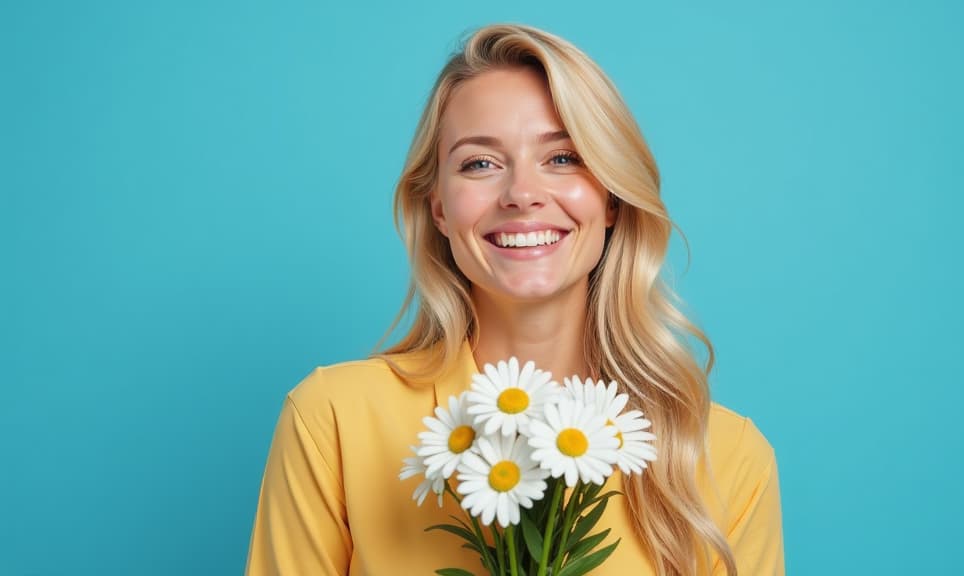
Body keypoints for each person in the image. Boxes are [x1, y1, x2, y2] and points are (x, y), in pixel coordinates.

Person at [245, 23, 784, 576]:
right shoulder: (332, 421)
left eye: (564, 158)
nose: (522, 194)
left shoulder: (726, 457)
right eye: (480, 163)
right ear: (438, 207)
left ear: (613, 198)